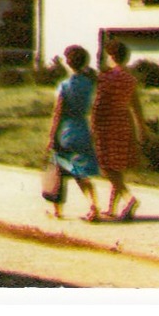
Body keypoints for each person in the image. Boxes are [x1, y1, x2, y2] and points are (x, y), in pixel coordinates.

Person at [91, 39, 147, 220]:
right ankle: (111, 207)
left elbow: (99, 104)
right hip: (124, 123)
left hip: (107, 124)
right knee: (117, 166)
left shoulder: (105, 78)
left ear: (111, 56)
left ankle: (129, 198)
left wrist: (93, 125)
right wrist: (142, 128)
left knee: (107, 166)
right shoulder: (130, 79)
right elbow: (136, 105)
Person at [46, 44, 103, 222]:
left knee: (58, 170)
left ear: (69, 63)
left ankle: (57, 210)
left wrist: (51, 137)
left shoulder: (64, 85)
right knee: (81, 173)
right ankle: (93, 205)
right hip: (82, 128)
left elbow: (58, 112)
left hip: (66, 130)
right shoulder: (89, 84)